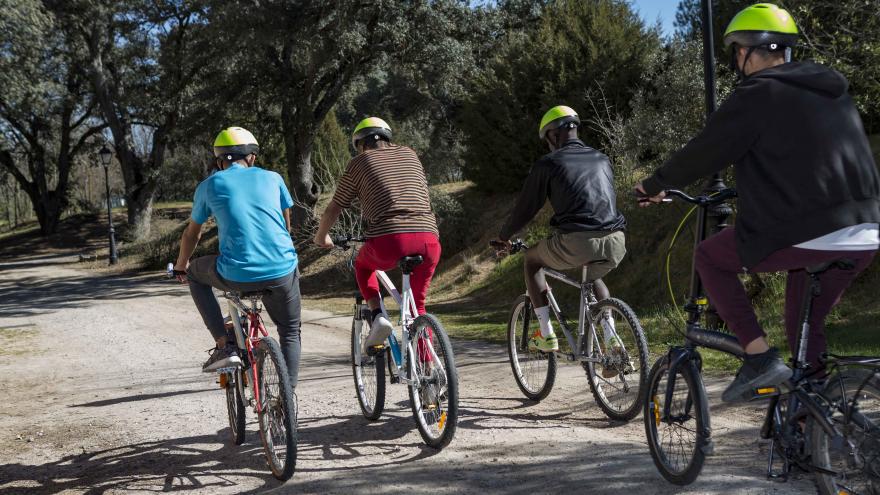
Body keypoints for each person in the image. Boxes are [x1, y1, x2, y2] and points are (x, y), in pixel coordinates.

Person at [636, 3, 880, 403]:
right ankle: (810, 434)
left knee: (711, 257)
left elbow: (706, 150)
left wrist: (654, 184)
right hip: (866, 231)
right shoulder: (832, 93)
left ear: (749, 50)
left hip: (812, 231)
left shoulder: (758, 93)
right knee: (805, 329)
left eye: (737, 51)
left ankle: (758, 357)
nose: (737, 61)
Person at [493, 105, 627, 358]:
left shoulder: (549, 163)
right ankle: (612, 342)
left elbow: (526, 208)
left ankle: (545, 334)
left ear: (553, 135)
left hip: (577, 240)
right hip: (617, 240)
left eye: (547, 141)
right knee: (591, 274)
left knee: (532, 260)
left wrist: (504, 237)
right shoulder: (602, 158)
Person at [173, 126, 302, 387]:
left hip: (235, 273)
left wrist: (181, 265)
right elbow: (286, 227)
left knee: (196, 274)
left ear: (220, 161)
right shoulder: (274, 178)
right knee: (290, 331)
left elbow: (191, 234)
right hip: (282, 269)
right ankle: (288, 397)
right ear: (252, 157)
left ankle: (224, 344)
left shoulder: (209, 185)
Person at [313, 117, 440, 352]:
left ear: (361, 144)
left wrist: (322, 237)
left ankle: (378, 314)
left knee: (363, 265)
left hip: (390, 239)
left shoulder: (359, 162)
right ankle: (429, 373)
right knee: (417, 307)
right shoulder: (410, 154)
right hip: (429, 238)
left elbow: (334, 208)